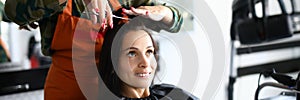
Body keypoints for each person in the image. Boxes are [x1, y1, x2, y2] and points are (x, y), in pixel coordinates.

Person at [4, 0, 183, 99]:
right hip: (68, 86)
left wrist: (163, 12)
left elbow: (179, 20)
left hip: (116, 88)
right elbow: (12, 11)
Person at [98, 18, 198, 99]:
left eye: (149, 52)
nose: (146, 63)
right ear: (113, 62)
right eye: (132, 53)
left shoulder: (172, 94)